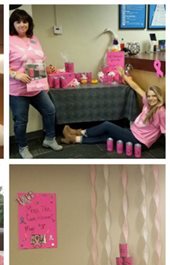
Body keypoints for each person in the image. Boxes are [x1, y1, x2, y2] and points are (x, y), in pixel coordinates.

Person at [9, 9, 63, 158]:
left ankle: (49, 139)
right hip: (17, 90)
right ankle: (22, 147)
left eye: (25, 21)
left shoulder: (34, 38)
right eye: (18, 21)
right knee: (21, 121)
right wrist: (16, 74)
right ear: (13, 23)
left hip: (36, 86)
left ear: (29, 23)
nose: (22, 24)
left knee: (50, 110)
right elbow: (1, 66)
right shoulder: (8, 40)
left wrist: (47, 69)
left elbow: (38, 61)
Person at [62, 72, 165, 148]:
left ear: (159, 96)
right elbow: (136, 87)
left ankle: (78, 132)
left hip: (140, 141)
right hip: (133, 132)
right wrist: (123, 75)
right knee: (108, 137)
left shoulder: (161, 111)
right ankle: (74, 139)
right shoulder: (148, 103)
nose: (151, 98)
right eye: (149, 96)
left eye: (154, 96)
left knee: (107, 125)